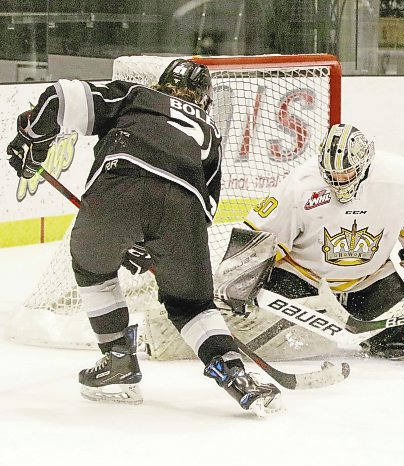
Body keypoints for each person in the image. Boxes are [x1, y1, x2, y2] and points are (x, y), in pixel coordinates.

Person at [6, 58, 281, 416]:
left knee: (92, 269)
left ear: (162, 85)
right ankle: (234, 373)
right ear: (204, 98)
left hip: (120, 187)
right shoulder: (210, 132)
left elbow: (59, 97)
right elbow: (206, 209)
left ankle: (118, 359)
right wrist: (154, 243)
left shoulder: (137, 96)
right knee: (191, 305)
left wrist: (32, 141)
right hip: (185, 212)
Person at [241, 123, 404, 361]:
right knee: (266, 340)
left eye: (345, 173)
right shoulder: (300, 185)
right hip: (304, 279)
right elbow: (258, 241)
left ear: (365, 162)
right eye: (332, 174)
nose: (338, 180)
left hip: (368, 281)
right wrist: (237, 288)